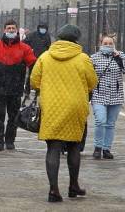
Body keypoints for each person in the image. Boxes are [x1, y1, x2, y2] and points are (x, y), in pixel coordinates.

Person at [30, 24, 97, 202]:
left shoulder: (45, 57)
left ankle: (53, 190)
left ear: (58, 38)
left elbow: (34, 82)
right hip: (75, 107)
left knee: (53, 147)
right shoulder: (83, 58)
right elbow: (92, 82)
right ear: (76, 39)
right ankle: (73, 186)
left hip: (52, 107)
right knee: (74, 146)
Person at [0, 19, 36, 151]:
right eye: (8, 28)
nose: (11, 30)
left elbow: (34, 66)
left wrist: (31, 84)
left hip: (16, 89)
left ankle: (10, 141)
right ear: (4, 30)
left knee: (14, 116)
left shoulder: (24, 48)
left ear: (16, 30)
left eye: (13, 28)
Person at [91, 34, 125, 160]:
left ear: (114, 44)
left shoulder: (120, 56)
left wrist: (119, 59)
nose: (108, 45)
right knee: (100, 121)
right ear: (101, 44)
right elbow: (88, 75)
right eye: (105, 43)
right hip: (99, 95)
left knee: (110, 124)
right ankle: (97, 147)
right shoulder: (93, 58)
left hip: (116, 96)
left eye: (110, 43)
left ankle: (106, 149)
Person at [23, 23, 52, 97]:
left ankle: (38, 91)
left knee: (42, 76)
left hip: (43, 59)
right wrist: (29, 51)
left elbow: (48, 47)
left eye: (44, 28)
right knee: (31, 75)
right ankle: (27, 91)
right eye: (41, 28)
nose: (43, 30)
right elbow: (24, 43)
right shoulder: (32, 35)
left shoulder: (47, 36)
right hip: (33, 59)